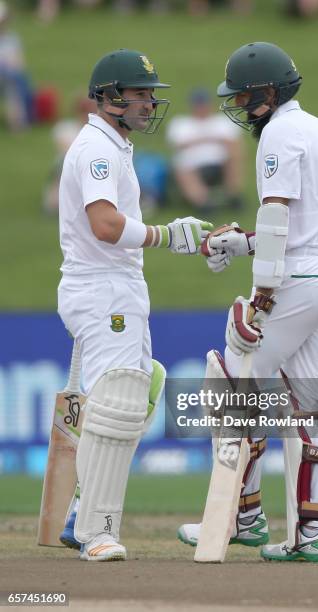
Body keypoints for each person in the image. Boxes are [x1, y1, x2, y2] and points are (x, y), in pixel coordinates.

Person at [178, 42, 318, 562]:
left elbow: (281, 217)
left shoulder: (279, 133)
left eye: (244, 96)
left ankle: (245, 515)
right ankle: (315, 533)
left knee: (233, 379)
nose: (238, 106)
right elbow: (310, 226)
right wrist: (243, 242)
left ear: (268, 93)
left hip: (302, 280)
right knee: (313, 406)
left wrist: (262, 290)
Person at [56, 48, 212, 562]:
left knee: (146, 387)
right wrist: (169, 236)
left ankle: (82, 507)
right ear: (108, 97)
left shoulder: (114, 145)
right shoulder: (97, 150)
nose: (149, 102)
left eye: (151, 94)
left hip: (119, 285)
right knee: (120, 396)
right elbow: (104, 225)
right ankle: (96, 532)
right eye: (139, 93)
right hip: (100, 286)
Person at [166, 87, 244, 212]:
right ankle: (203, 202)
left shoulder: (223, 121)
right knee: (181, 164)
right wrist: (214, 138)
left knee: (234, 156)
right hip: (192, 164)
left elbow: (233, 143)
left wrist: (197, 140)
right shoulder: (181, 123)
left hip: (219, 161)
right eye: (198, 104)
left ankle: (233, 196)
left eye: (204, 104)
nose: (201, 107)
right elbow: (178, 145)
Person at [43, 96, 97, 215]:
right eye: (85, 111)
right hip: (65, 169)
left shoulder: (98, 131)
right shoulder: (65, 128)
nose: (87, 115)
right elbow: (65, 150)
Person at [0, 1, 33, 130]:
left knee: (14, 80)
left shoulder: (12, 39)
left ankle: (17, 122)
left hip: (9, 77)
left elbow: (19, 63)